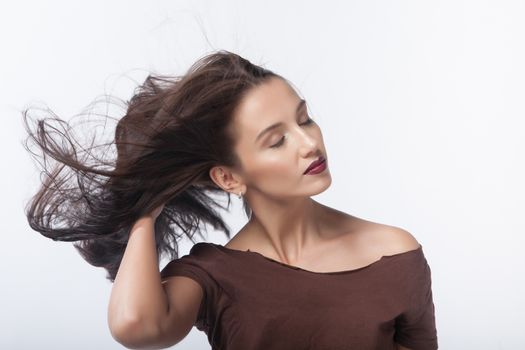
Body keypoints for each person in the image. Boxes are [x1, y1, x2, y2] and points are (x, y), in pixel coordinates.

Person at [22, 50, 438, 349]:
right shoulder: (212, 275)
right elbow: (136, 328)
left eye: (305, 118)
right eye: (277, 141)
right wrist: (145, 211)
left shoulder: (394, 253)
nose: (310, 142)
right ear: (229, 177)